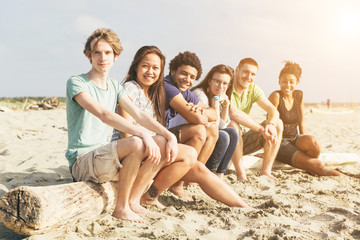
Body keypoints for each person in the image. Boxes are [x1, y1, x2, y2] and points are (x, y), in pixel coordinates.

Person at [112, 46, 250, 208]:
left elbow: (212, 115)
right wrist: (202, 113)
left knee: (198, 167)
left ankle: (245, 207)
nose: (150, 72)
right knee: (194, 142)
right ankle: (155, 193)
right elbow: (126, 134)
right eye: (145, 66)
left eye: (155, 68)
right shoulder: (132, 88)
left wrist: (204, 110)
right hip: (134, 153)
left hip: (154, 150)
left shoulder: (154, 91)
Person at [65, 28, 178, 223]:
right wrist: (142, 134)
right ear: (88, 55)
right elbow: (103, 114)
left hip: (104, 156)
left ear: (115, 56)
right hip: (82, 161)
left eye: (108, 52)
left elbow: (139, 114)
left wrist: (170, 136)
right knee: (137, 142)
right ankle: (121, 208)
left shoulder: (115, 86)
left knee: (161, 141)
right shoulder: (77, 82)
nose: (103, 57)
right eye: (97, 52)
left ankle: (133, 202)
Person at [268, 61, 340, 176]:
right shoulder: (275, 96)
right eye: (284, 81)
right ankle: (348, 178)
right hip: (280, 143)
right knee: (317, 165)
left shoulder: (299, 95)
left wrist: (304, 137)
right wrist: (268, 150)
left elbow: (302, 121)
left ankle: (306, 163)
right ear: (279, 81)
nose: (288, 85)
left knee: (314, 143)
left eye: (291, 82)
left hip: (295, 139)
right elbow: (269, 123)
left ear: (297, 83)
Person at [164, 51, 219, 193]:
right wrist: (200, 114)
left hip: (166, 135)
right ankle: (177, 185)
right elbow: (197, 119)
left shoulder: (186, 92)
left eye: (192, 77)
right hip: (156, 136)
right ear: (173, 71)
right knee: (199, 129)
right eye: (184, 73)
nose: (187, 80)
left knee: (212, 129)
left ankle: (191, 177)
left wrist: (201, 112)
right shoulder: (167, 86)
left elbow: (214, 115)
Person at [229, 58, 283, 181]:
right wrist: (260, 129)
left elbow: (273, 110)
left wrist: (270, 124)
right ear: (237, 70)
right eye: (245, 72)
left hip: (243, 140)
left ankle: (265, 172)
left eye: (253, 74)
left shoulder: (253, 88)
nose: (249, 77)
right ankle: (241, 174)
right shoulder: (227, 85)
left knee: (278, 123)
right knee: (233, 124)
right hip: (226, 139)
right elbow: (233, 113)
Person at [191, 64, 238, 179]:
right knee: (223, 136)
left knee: (232, 132)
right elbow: (214, 128)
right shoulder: (199, 94)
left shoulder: (219, 95)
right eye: (217, 81)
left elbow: (222, 125)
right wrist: (215, 104)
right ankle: (209, 176)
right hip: (196, 136)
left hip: (209, 135)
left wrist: (226, 107)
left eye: (225, 83)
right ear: (209, 81)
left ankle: (219, 175)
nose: (221, 86)